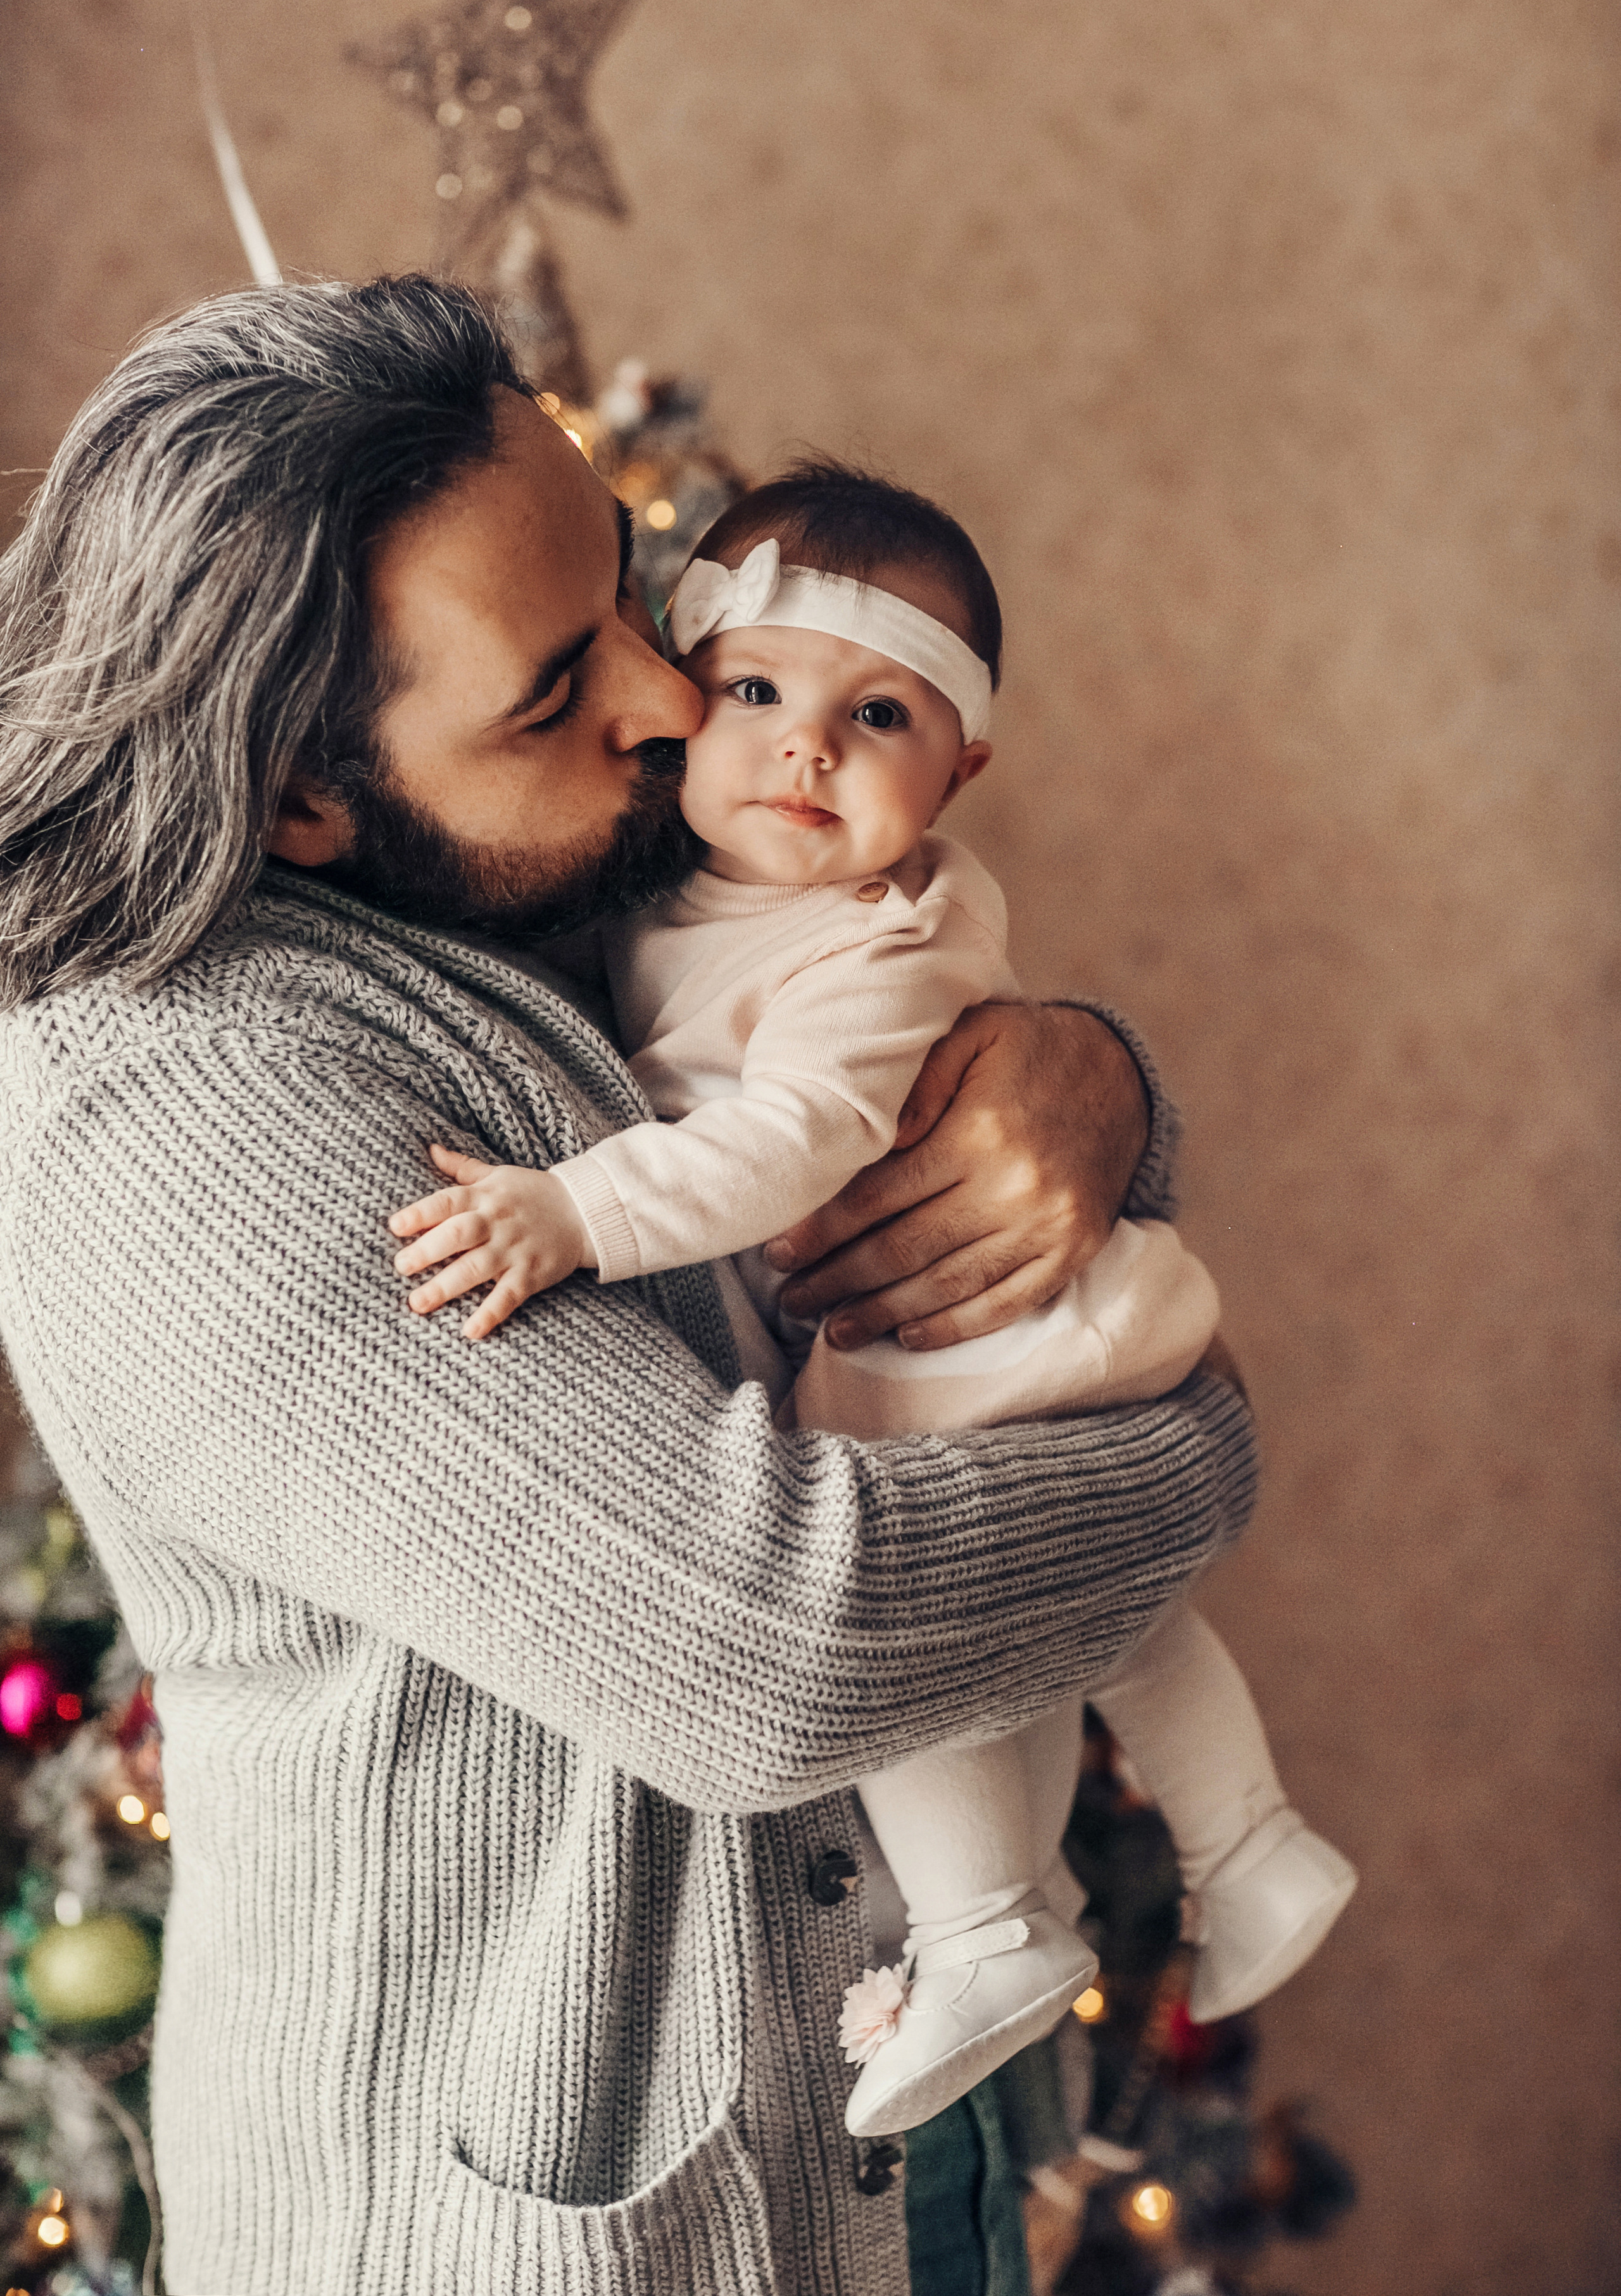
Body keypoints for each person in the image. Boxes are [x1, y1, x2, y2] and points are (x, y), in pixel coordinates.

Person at [0, 274, 1258, 2296]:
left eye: (634, 601)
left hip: (902, 2140)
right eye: (552, 683)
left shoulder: (516, 866)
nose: (675, 701)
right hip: (562, 2230)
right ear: (300, 796)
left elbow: (853, 1037)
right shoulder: (185, 1112)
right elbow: (782, 1645)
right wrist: (1196, 1446)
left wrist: (1087, 1080)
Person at [386, 465, 1356, 2147]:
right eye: (755, 690)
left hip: (937, 1324)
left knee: (918, 1603)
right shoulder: (687, 900)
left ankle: (990, 1933)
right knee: (1107, 1616)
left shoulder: (870, 938)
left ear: (963, 763)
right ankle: (1253, 1846)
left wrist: (571, 1212)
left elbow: (792, 1141)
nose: (805, 749)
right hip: (983, 1314)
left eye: (877, 713)